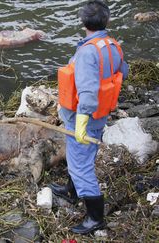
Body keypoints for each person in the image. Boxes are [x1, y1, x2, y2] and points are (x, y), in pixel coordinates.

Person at [50, 0, 129, 234]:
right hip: (100, 116)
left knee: (81, 167)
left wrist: (81, 123)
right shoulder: (112, 45)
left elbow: (87, 93)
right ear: (107, 21)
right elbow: (123, 71)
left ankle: (95, 218)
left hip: (82, 117)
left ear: (83, 22)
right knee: (79, 159)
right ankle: (72, 191)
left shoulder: (87, 52)